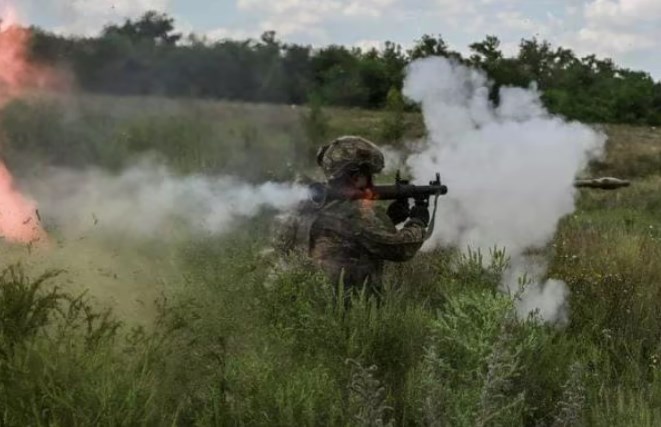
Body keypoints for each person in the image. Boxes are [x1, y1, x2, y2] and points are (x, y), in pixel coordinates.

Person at [272, 135, 430, 299]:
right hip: (343, 306)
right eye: (368, 175)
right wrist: (418, 222)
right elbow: (399, 249)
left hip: (300, 302)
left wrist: (390, 218)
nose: (371, 183)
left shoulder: (309, 203)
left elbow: (351, 239)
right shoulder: (353, 212)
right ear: (356, 177)